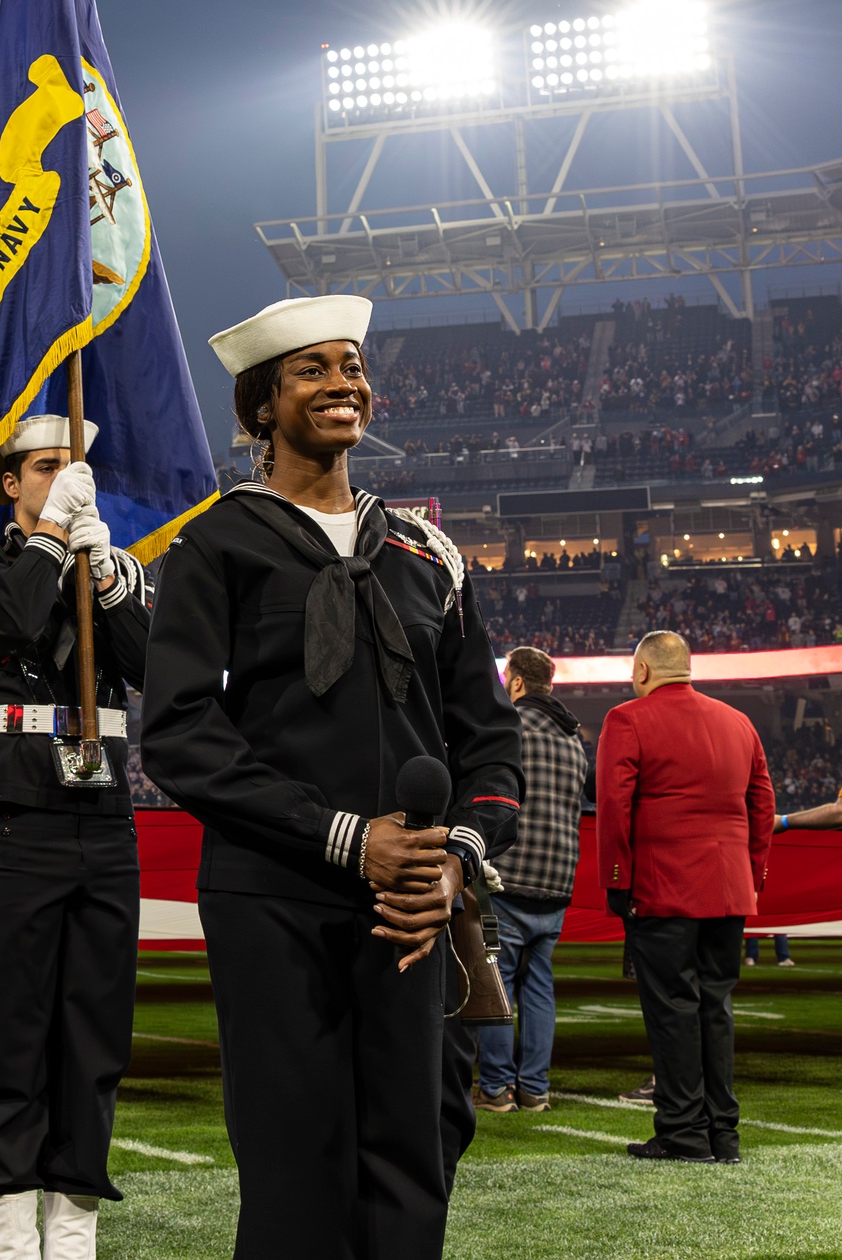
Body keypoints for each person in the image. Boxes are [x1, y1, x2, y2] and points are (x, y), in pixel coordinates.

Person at [140, 295, 524, 1260]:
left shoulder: (429, 553)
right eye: (311, 369)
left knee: (419, 1144)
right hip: (273, 896)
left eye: (351, 364)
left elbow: (491, 744)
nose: (343, 382)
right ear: (260, 406)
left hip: (413, 905)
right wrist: (348, 837)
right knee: (294, 1155)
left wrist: (454, 865)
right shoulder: (212, 544)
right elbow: (181, 733)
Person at [0, 413, 150, 1260]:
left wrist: (109, 583)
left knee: (95, 1032)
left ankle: (74, 1225)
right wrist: (57, 536)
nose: (72, 475)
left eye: (79, 466)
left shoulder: (102, 564)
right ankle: (12, 1228)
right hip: (17, 825)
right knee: (12, 1030)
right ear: (11, 483)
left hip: (105, 825)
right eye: (51, 466)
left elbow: (152, 663)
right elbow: (17, 619)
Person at [596, 631, 775, 1164]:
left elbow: (613, 805)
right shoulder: (738, 722)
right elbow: (762, 803)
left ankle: (683, 1134)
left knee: (673, 1009)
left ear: (644, 671)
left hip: (664, 889)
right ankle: (724, 1135)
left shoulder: (627, 719)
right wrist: (751, 873)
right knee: (715, 1007)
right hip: (728, 891)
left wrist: (616, 880)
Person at [476, 647, 588, 1114]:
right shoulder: (575, 738)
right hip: (559, 879)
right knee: (539, 986)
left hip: (513, 875)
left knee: (497, 981)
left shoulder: (512, 726)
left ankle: (497, 1089)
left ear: (517, 683)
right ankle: (535, 1089)